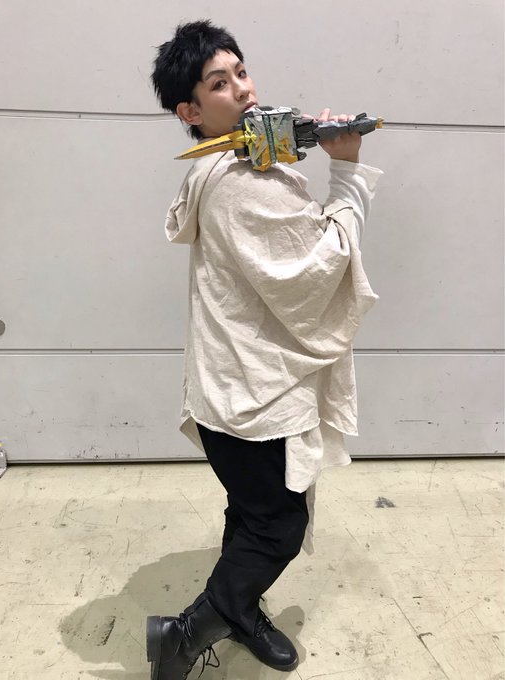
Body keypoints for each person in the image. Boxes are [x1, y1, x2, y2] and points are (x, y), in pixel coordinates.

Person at [148, 19, 383, 679]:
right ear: (191, 112)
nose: (244, 90)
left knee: (248, 512)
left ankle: (242, 611)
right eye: (219, 84)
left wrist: (292, 153)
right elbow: (322, 267)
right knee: (277, 526)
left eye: (241, 72)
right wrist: (346, 170)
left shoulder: (222, 163)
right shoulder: (242, 181)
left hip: (226, 386)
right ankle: (182, 634)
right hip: (256, 396)